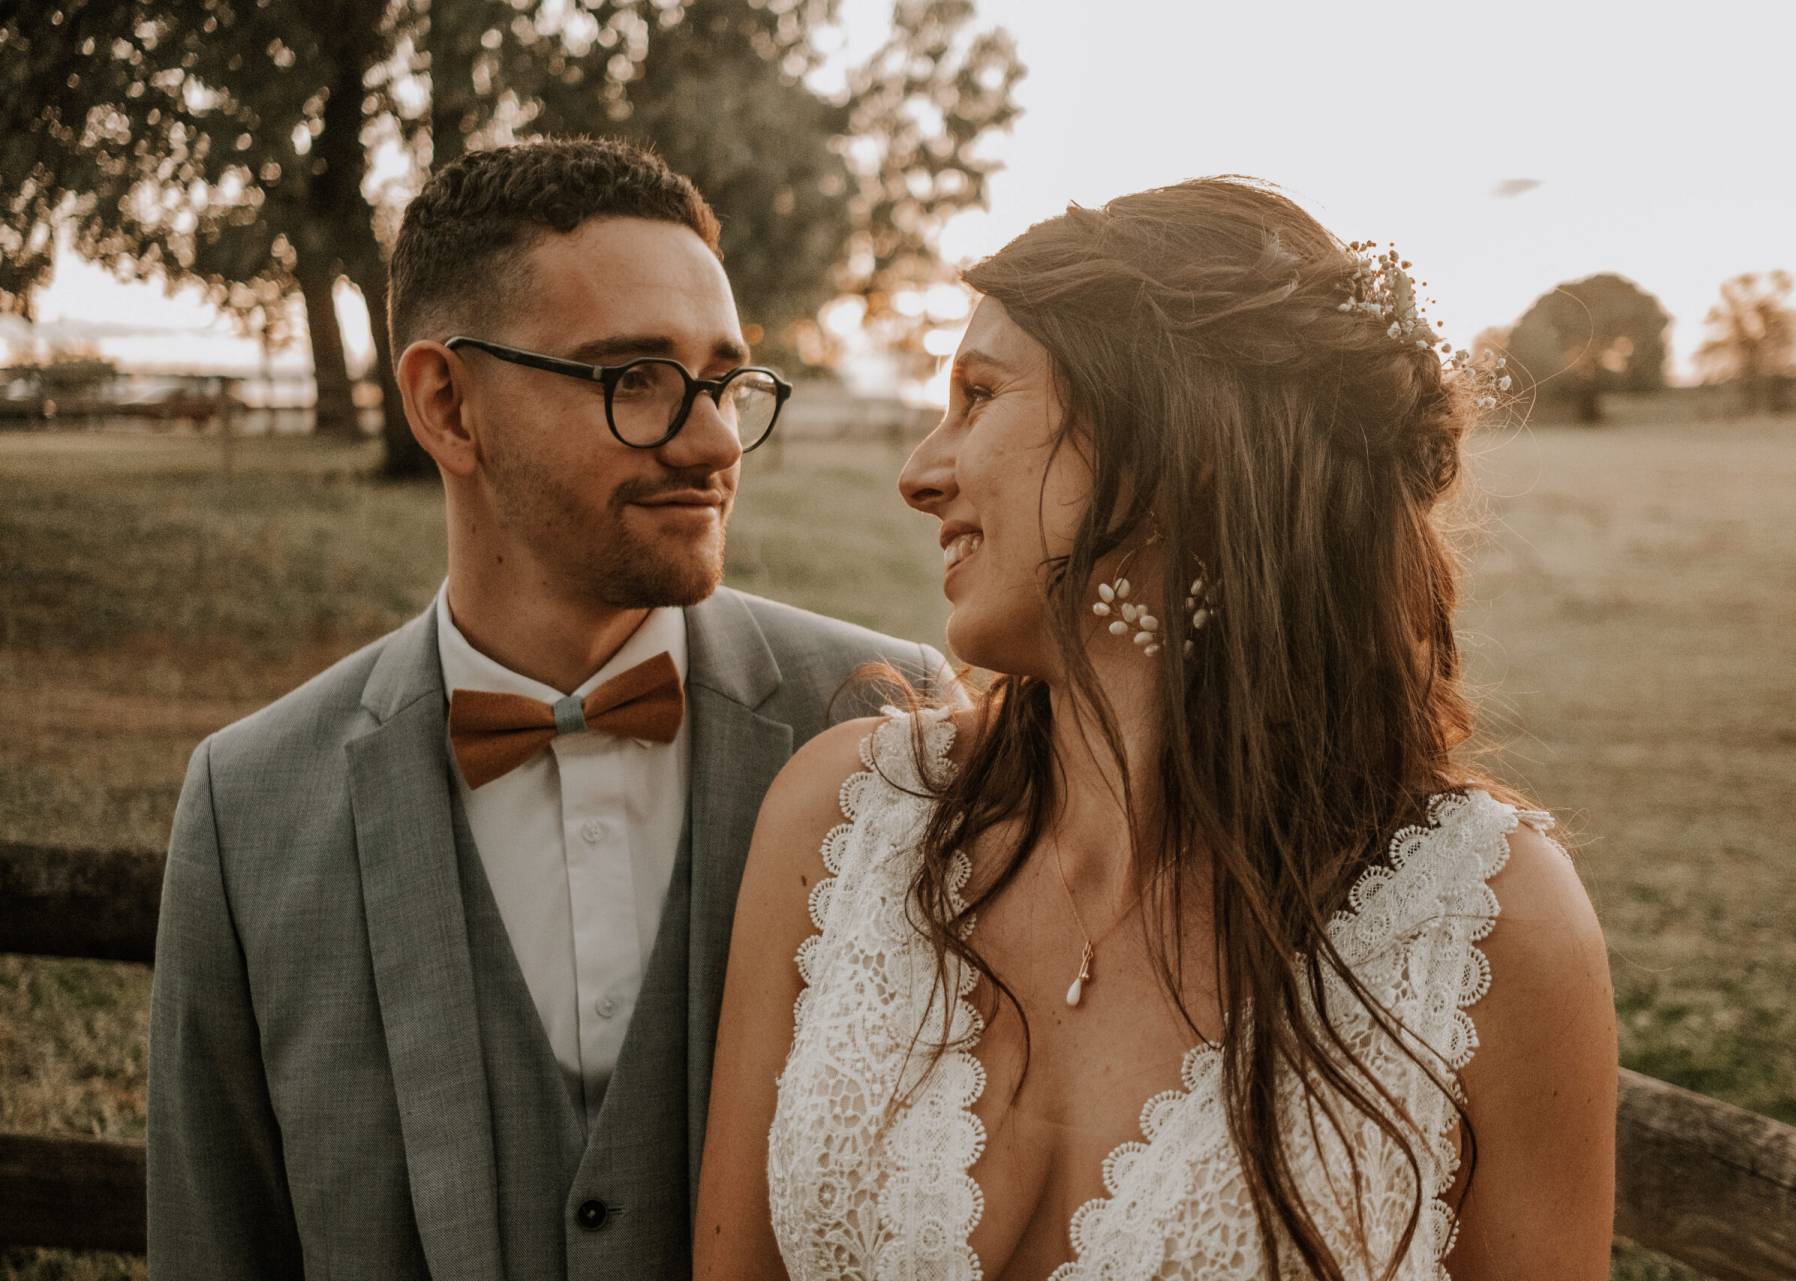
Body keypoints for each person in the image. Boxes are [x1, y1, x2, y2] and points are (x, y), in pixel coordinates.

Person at [695, 179, 1618, 1280]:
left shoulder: (1488, 925)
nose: (919, 472)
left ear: (1179, 446)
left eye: (979, 395)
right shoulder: (849, 821)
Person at [146, 137, 944, 1280]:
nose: (715, 440)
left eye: (724, 381)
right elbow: (213, 1244)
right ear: (446, 406)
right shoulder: (249, 806)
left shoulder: (888, 727)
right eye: (634, 380)